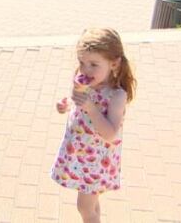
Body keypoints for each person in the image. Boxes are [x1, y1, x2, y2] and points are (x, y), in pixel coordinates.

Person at [51, 28, 137, 223]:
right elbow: (77, 105)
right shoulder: (86, 82)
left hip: (97, 160)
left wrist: (90, 107)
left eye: (93, 64)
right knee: (91, 205)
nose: (85, 70)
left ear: (114, 64)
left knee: (84, 206)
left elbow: (110, 133)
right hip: (80, 154)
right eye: (82, 63)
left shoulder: (116, 95)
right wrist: (65, 106)